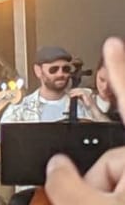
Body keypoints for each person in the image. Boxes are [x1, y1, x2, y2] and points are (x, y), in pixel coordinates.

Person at [0, 46, 95, 205]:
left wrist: (93, 108)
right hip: (33, 192)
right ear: (38, 71)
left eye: (65, 69)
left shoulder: (82, 105)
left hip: (75, 191)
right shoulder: (19, 108)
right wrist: (35, 143)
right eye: (53, 69)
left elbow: (107, 144)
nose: (61, 74)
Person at [44, 36, 125, 205]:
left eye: (111, 83)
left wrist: (93, 108)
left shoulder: (117, 106)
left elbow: (116, 137)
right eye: (101, 80)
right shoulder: (83, 94)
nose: (105, 87)